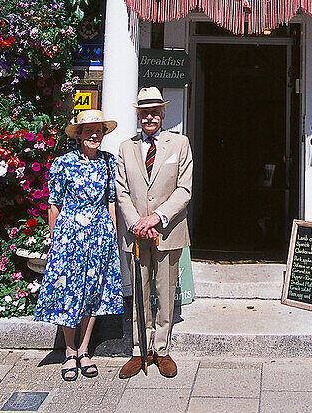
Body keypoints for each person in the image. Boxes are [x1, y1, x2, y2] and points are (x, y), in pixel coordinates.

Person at [34, 109, 124, 382]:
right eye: (89, 131)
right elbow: (54, 205)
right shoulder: (63, 163)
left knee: (94, 292)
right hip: (69, 236)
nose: (95, 135)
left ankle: (85, 350)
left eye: (99, 131)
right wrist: (56, 240)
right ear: (79, 135)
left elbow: (111, 202)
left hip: (99, 235)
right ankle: (69, 351)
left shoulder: (109, 162)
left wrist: (113, 236)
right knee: (67, 292)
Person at [115, 86, 193, 379]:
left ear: (162, 113)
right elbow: (121, 191)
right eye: (144, 111)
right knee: (139, 291)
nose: (149, 116)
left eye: (154, 110)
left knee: (165, 290)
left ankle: (161, 349)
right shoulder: (126, 147)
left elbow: (184, 190)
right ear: (138, 115)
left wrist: (155, 219)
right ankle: (140, 350)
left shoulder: (180, 144)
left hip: (167, 231)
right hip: (136, 233)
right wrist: (137, 222)